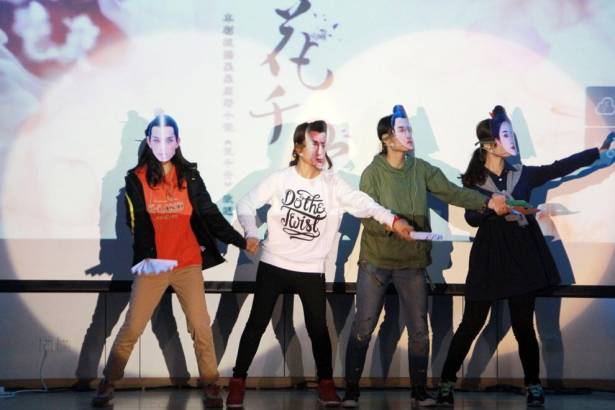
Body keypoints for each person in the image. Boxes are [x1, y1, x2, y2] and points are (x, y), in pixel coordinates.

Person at [225, 120, 414, 408]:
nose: (320, 150)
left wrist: (394, 220)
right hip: (274, 264)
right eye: (314, 144)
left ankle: (325, 384)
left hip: (310, 269)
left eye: (324, 144)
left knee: (318, 329)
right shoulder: (280, 179)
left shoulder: (332, 184)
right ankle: (238, 381)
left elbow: (365, 203)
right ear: (298, 149)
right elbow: (245, 204)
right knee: (256, 323)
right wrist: (251, 232)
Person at [435, 106, 614, 408]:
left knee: (523, 326)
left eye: (512, 134)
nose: (512, 140)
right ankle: (446, 384)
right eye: (505, 135)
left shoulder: (524, 174)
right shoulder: (474, 181)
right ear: (489, 145)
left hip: (522, 257)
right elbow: (471, 219)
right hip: (490, 257)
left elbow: (560, 168)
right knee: (472, 323)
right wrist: (491, 207)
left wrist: (597, 152)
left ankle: (534, 385)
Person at [342, 105, 508, 408]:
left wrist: (487, 202)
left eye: (410, 129)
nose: (409, 135)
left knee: (419, 330)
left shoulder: (421, 169)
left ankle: (419, 391)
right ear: (386, 139)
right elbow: (367, 216)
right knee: (363, 326)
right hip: (376, 262)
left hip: (412, 264)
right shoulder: (372, 174)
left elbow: (452, 192)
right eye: (402, 130)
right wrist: (395, 227)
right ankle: (351, 390)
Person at [91, 114, 258, 408]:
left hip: (187, 264)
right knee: (133, 326)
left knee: (200, 327)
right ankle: (109, 381)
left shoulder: (189, 176)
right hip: (153, 266)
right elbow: (135, 222)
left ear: (178, 142)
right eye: (157, 139)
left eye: (169, 139)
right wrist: (144, 258)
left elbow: (210, 214)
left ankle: (210, 384)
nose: (163, 145)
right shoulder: (136, 178)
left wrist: (240, 240)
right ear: (149, 141)